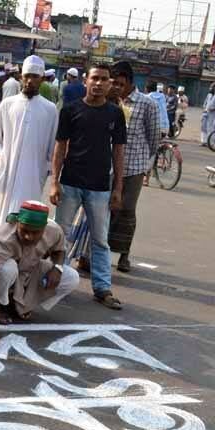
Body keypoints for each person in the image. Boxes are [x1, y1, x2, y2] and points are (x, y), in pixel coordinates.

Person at [51, 63, 126, 310]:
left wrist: (117, 189)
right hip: (70, 182)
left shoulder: (115, 114)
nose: (98, 83)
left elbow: (118, 152)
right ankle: (51, 278)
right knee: (58, 234)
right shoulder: (71, 110)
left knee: (100, 240)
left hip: (99, 187)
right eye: (94, 78)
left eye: (104, 79)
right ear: (86, 81)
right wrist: (54, 182)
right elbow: (60, 147)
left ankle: (102, 288)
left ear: (109, 83)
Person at [0, 201, 79, 347]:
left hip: (30, 271)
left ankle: (22, 306)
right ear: (17, 223)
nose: (28, 237)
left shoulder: (54, 230)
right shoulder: (1, 239)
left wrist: (57, 267)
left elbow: (60, 250)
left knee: (71, 277)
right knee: (8, 269)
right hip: (2, 272)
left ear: (44, 228)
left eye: (35, 233)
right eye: (24, 231)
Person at [0, 55, 58, 238]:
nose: (29, 80)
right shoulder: (7, 104)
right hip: (6, 171)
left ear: (42, 79)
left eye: (35, 76)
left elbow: (52, 146)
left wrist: (46, 170)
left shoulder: (50, 109)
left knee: (25, 215)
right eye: (27, 76)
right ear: (21, 76)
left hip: (33, 175)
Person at [106, 61, 160, 273]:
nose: (116, 87)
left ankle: (123, 255)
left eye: (120, 83)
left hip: (133, 167)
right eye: (114, 83)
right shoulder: (108, 101)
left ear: (130, 82)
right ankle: (96, 254)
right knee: (102, 210)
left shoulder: (147, 104)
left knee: (126, 211)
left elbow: (154, 137)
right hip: (106, 165)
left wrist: (146, 162)